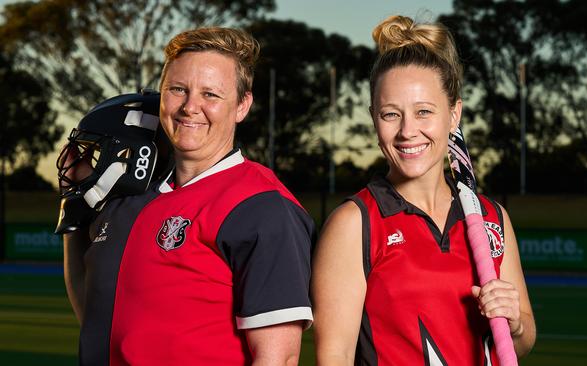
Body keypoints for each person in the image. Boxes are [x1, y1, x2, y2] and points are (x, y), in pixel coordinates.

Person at [62, 27, 314, 365]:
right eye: (178, 90)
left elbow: (278, 358)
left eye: (210, 94)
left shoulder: (264, 207)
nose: (190, 107)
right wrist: (76, 207)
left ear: (242, 105)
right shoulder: (131, 195)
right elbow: (95, 314)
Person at [312, 15, 536, 365]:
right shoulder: (354, 224)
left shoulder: (491, 217)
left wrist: (516, 324)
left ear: (454, 114)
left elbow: (522, 340)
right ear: (374, 118)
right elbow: (334, 356)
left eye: (424, 112)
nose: (408, 131)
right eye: (391, 115)